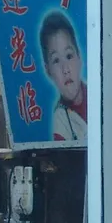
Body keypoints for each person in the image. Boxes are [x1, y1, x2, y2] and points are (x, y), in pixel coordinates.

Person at [40, 10, 87, 140]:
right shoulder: (60, 123)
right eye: (56, 60)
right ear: (48, 70)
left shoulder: (101, 96)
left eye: (69, 56)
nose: (65, 69)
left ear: (79, 57)